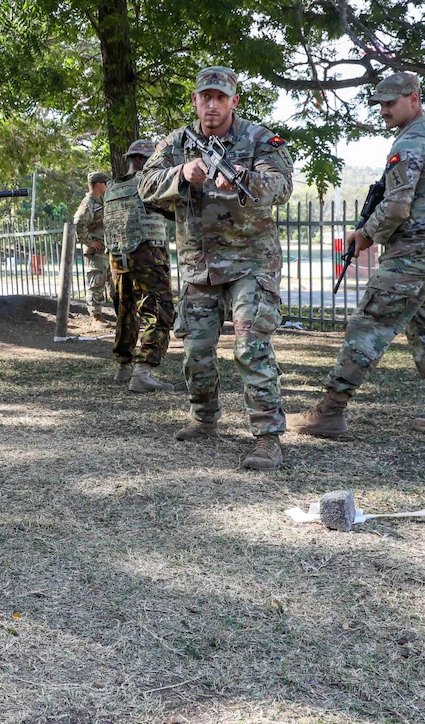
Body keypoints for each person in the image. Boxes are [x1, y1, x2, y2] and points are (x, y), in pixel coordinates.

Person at [288, 72, 425, 441]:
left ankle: (331, 410)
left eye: (391, 103)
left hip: (415, 250)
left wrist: (365, 235)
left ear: (414, 99)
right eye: (381, 104)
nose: (384, 110)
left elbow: (397, 206)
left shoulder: (410, 142)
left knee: (367, 324)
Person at [138, 66, 294, 470]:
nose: (211, 105)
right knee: (196, 350)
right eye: (205, 97)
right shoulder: (177, 142)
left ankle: (267, 438)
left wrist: (245, 177)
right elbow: (144, 185)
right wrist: (180, 173)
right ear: (195, 100)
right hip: (200, 267)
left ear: (233, 102)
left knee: (250, 346)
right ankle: (204, 417)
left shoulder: (259, 139)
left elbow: (281, 186)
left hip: (250, 264)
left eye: (220, 98)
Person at [105, 140, 175, 392]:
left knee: (125, 313)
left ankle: (123, 366)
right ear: (145, 161)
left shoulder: (113, 187)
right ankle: (143, 372)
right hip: (148, 255)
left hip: (117, 259)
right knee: (160, 313)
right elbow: (176, 211)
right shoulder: (147, 185)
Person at [74, 171, 112, 322]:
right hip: (96, 251)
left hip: (106, 249)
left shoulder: (100, 201)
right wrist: (89, 243)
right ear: (98, 184)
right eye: (105, 183)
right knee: (96, 282)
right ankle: (96, 316)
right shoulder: (88, 203)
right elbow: (78, 222)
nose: (106, 186)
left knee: (112, 282)